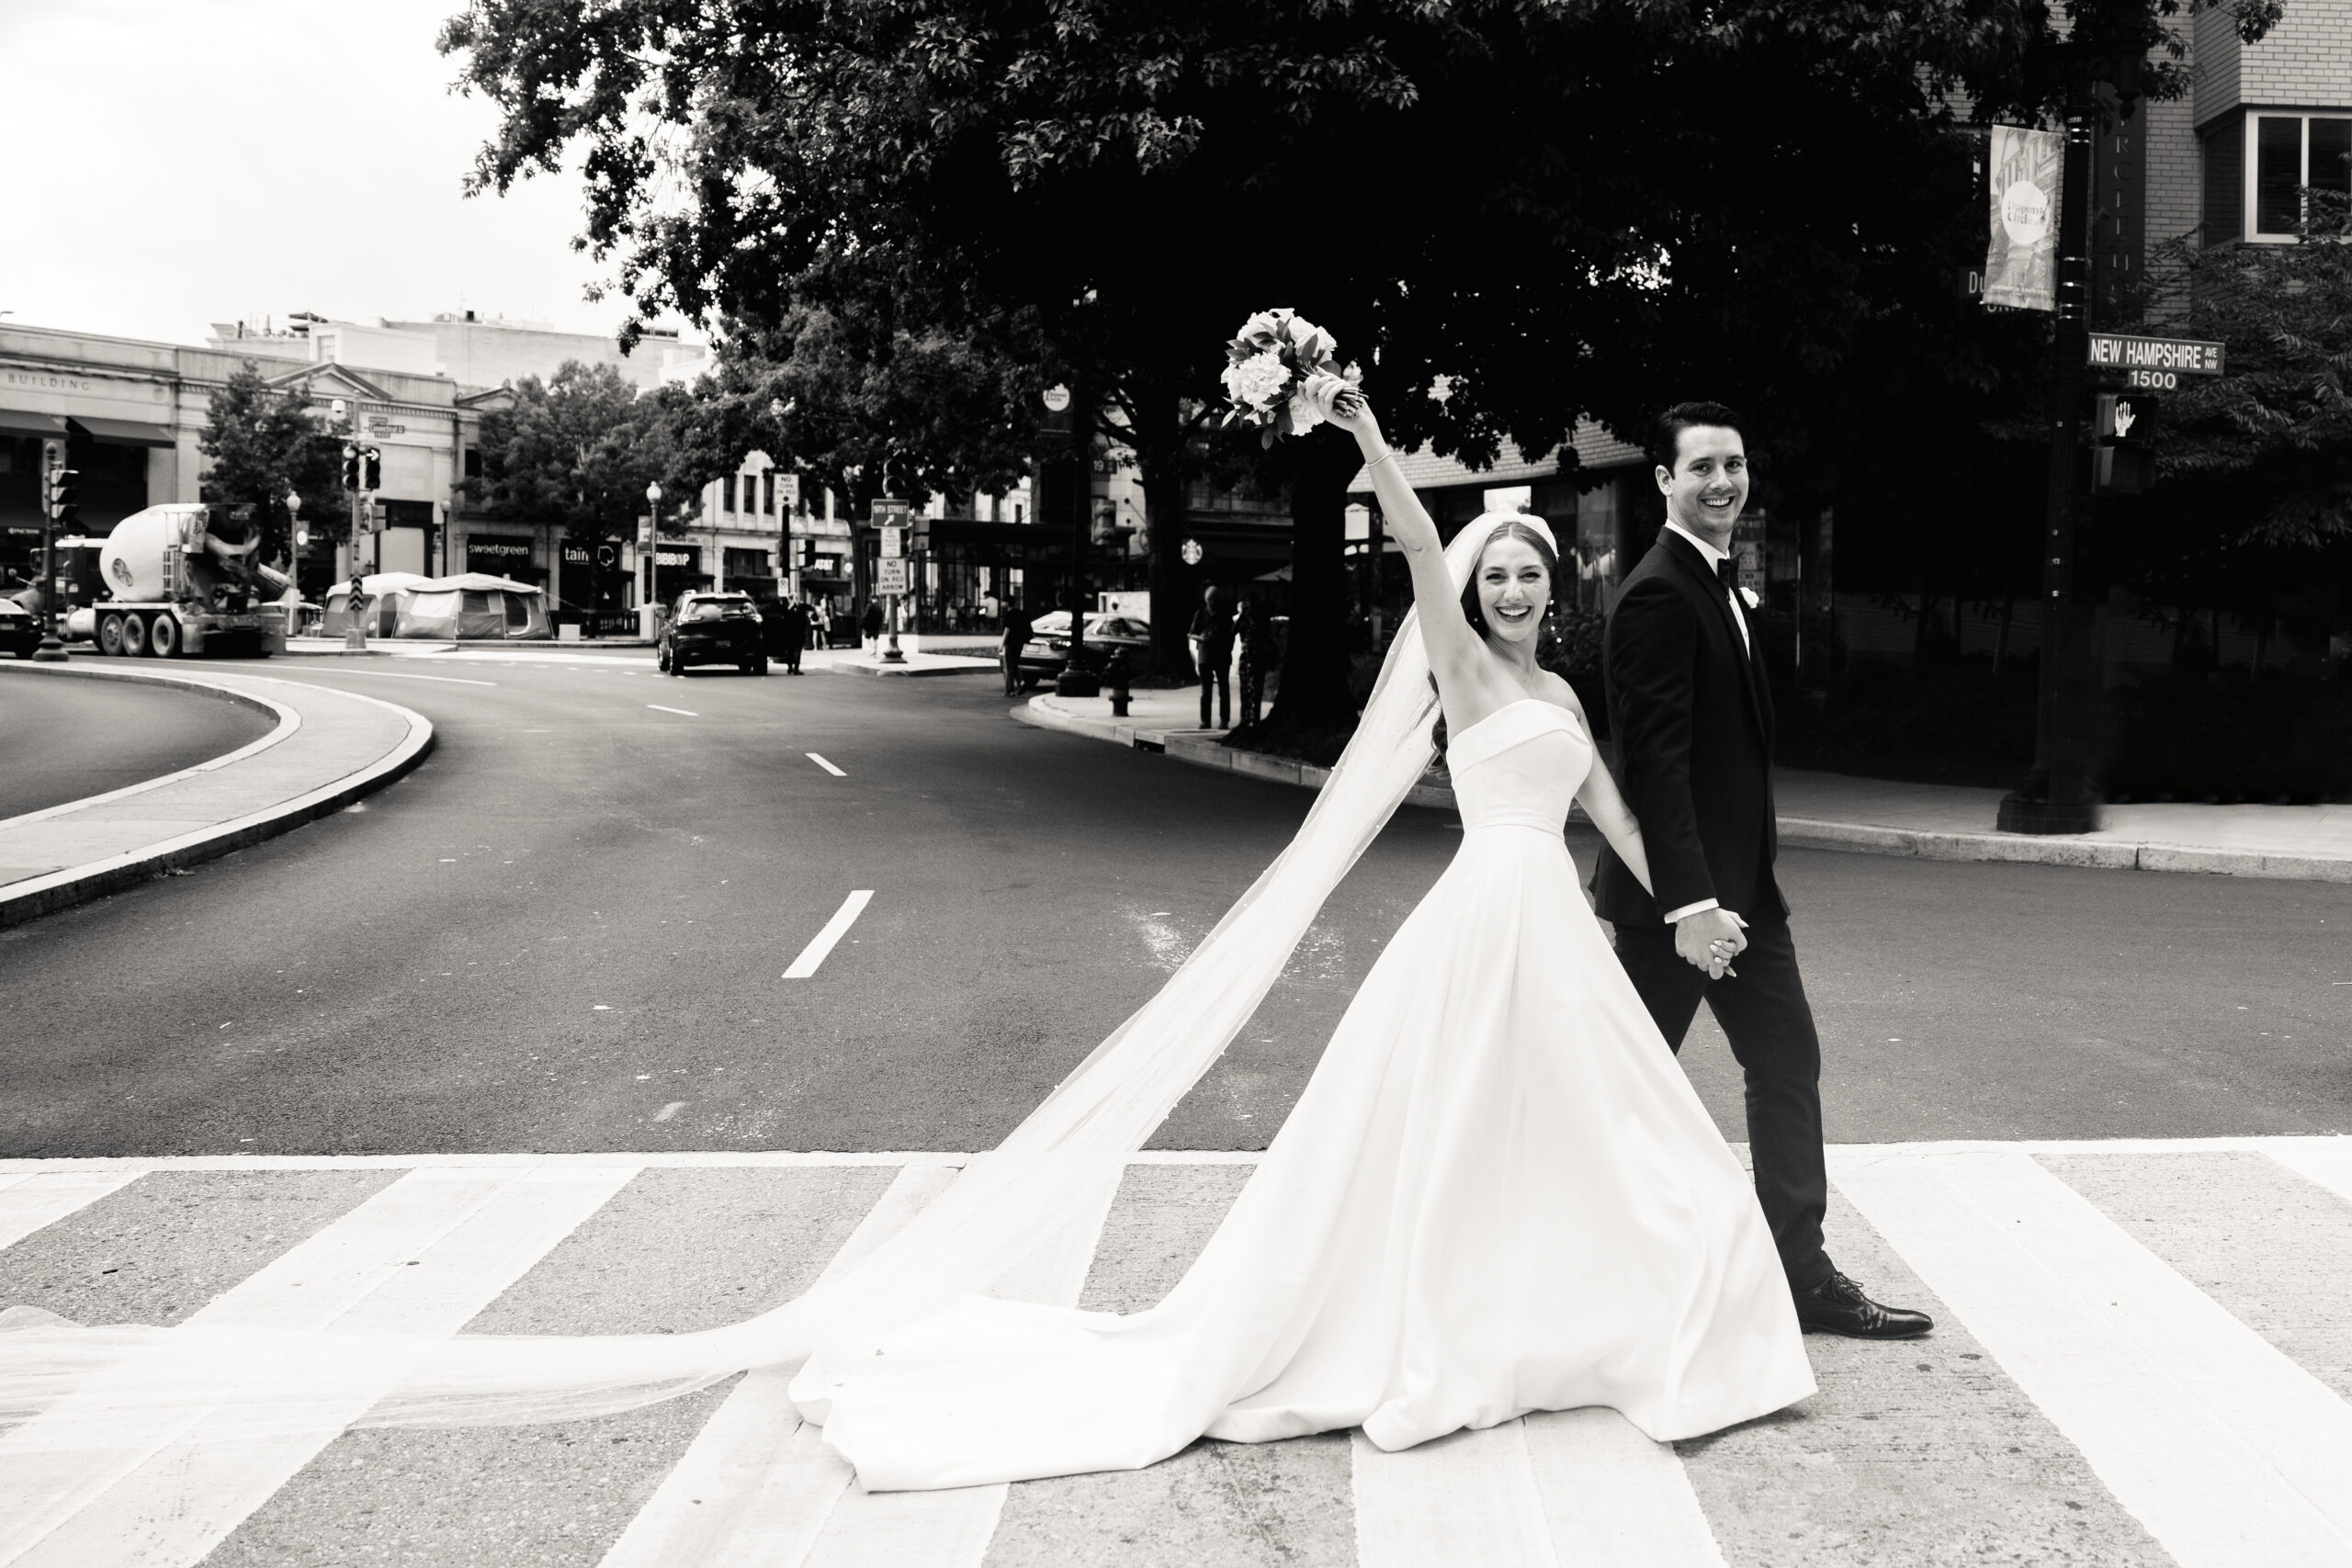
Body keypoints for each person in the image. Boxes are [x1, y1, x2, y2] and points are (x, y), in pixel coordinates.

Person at [0, 384, 1812, 1497]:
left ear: (1542, 590)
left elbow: (1615, 818)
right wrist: (1356, 440)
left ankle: (1598, 1320)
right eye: (1484, 574)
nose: (1499, 588)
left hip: (1550, 941)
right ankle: (1440, 1339)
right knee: (1425, 1155)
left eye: (1513, 574)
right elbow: (1413, 541)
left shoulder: (1564, 678)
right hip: (1460, 948)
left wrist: (1682, 894)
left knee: (1603, 1141)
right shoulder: (1456, 634)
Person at [1589, 400, 1930, 1340]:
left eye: (1732, 465)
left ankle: (1797, 1271)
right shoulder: (1661, 592)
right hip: (1685, 904)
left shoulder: (1716, 584)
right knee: (1628, 1087)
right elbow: (1653, 762)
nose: (1722, 482)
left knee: (1779, 1065)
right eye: (1700, 468)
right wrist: (1691, 903)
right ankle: (1575, 1259)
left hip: (1739, 898)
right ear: (1661, 480)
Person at [1190, 584, 1235, 729]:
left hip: (1221, 655)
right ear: (1205, 600)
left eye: (1215, 599)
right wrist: (1202, 638)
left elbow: (1231, 635)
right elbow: (1191, 633)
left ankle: (1224, 720)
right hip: (1205, 655)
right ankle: (1205, 721)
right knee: (1206, 691)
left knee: (1224, 689)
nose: (1212, 603)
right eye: (1210, 600)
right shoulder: (1201, 614)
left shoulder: (1225, 615)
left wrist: (1226, 646)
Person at [1235, 593, 1276, 727]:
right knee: (1246, 691)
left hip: (1256, 657)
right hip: (1247, 657)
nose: (1249, 607)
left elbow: (1266, 636)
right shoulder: (1245, 618)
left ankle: (1252, 719)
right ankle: (1246, 719)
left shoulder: (1260, 619)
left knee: (1254, 691)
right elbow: (1233, 631)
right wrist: (1242, 617)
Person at [1000, 598, 1035, 696]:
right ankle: (1022, 682)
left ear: (1007, 603)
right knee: (1014, 664)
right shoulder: (1021, 613)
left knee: (1009, 667)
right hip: (1019, 643)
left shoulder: (1009, 615)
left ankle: (1009, 690)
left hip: (1010, 643)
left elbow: (1007, 631)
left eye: (1003, 601)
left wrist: (1001, 644)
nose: (1002, 603)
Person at [775, 598, 808, 675]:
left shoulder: (787, 611)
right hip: (799, 633)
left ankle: (790, 667)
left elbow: (784, 621)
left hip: (790, 634)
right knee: (797, 651)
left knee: (790, 651)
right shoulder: (801, 612)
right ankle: (796, 668)